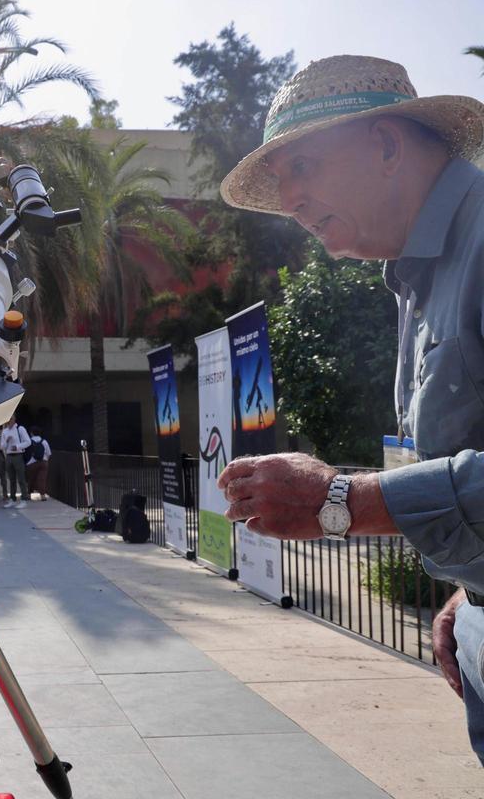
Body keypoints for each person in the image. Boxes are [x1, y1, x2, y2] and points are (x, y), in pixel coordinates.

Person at [214, 55, 484, 763]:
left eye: (302, 167)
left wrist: (344, 500)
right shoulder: (419, 271)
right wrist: (470, 589)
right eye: (280, 182)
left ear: (387, 144)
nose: (292, 199)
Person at [0, 417, 31, 509]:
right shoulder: (5, 431)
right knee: (11, 479)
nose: (9, 420)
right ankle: (12, 499)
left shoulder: (20, 429)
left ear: (14, 419)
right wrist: (7, 441)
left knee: (21, 478)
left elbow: (28, 442)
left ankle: (24, 499)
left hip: (18, 455)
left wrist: (17, 446)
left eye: (11, 418)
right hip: (8, 456)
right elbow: (1, 447)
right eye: (8, 418)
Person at [25, 426, 52, 501]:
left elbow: (26, 453)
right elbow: (49, 453)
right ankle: (42, 495)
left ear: (31, 433)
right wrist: (46, 461)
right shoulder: (44, 441)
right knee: (42, 479)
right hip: (43, 462)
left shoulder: (29, 441)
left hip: (31, 463)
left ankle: (28, 494)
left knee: (31, 479)